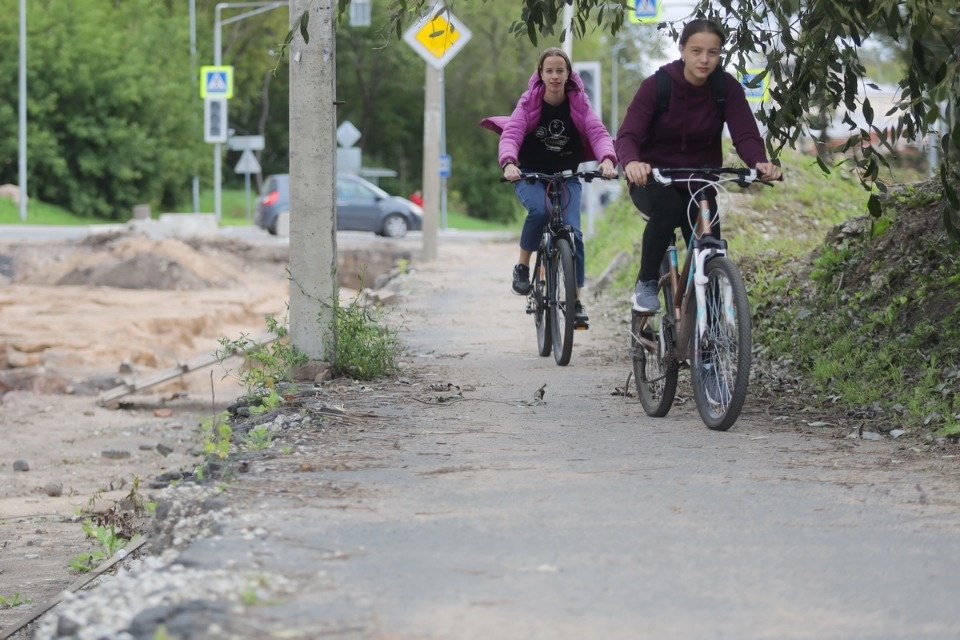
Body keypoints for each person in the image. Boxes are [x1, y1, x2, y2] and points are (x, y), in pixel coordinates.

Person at [615, 19, 781, 313]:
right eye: (696, 51)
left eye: (713, 53)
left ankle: (711, 327)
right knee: (668, 209)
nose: (704, 59)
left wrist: (759, 161)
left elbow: (744, 133)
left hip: (700, 182)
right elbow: (628, 135)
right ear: (682, 50)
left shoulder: (725, 87)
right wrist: (632, 163)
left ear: (720, 55)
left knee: (710, 239)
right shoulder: (657, 86)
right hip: (654, 178)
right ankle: (647, 281)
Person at [480, 47, 618, 327]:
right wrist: (509, 163)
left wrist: (607, 159)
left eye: (560, 70)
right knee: (541, 212)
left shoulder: (578, 101)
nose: (555, 76)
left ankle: (576, 301)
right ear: (541, 74)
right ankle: (522, 266)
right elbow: (513, 133)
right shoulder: (530, 101)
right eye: (549, 71)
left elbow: (597, 131)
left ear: (568, 74)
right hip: (530, 173)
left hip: (567, 174)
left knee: (575, 235)